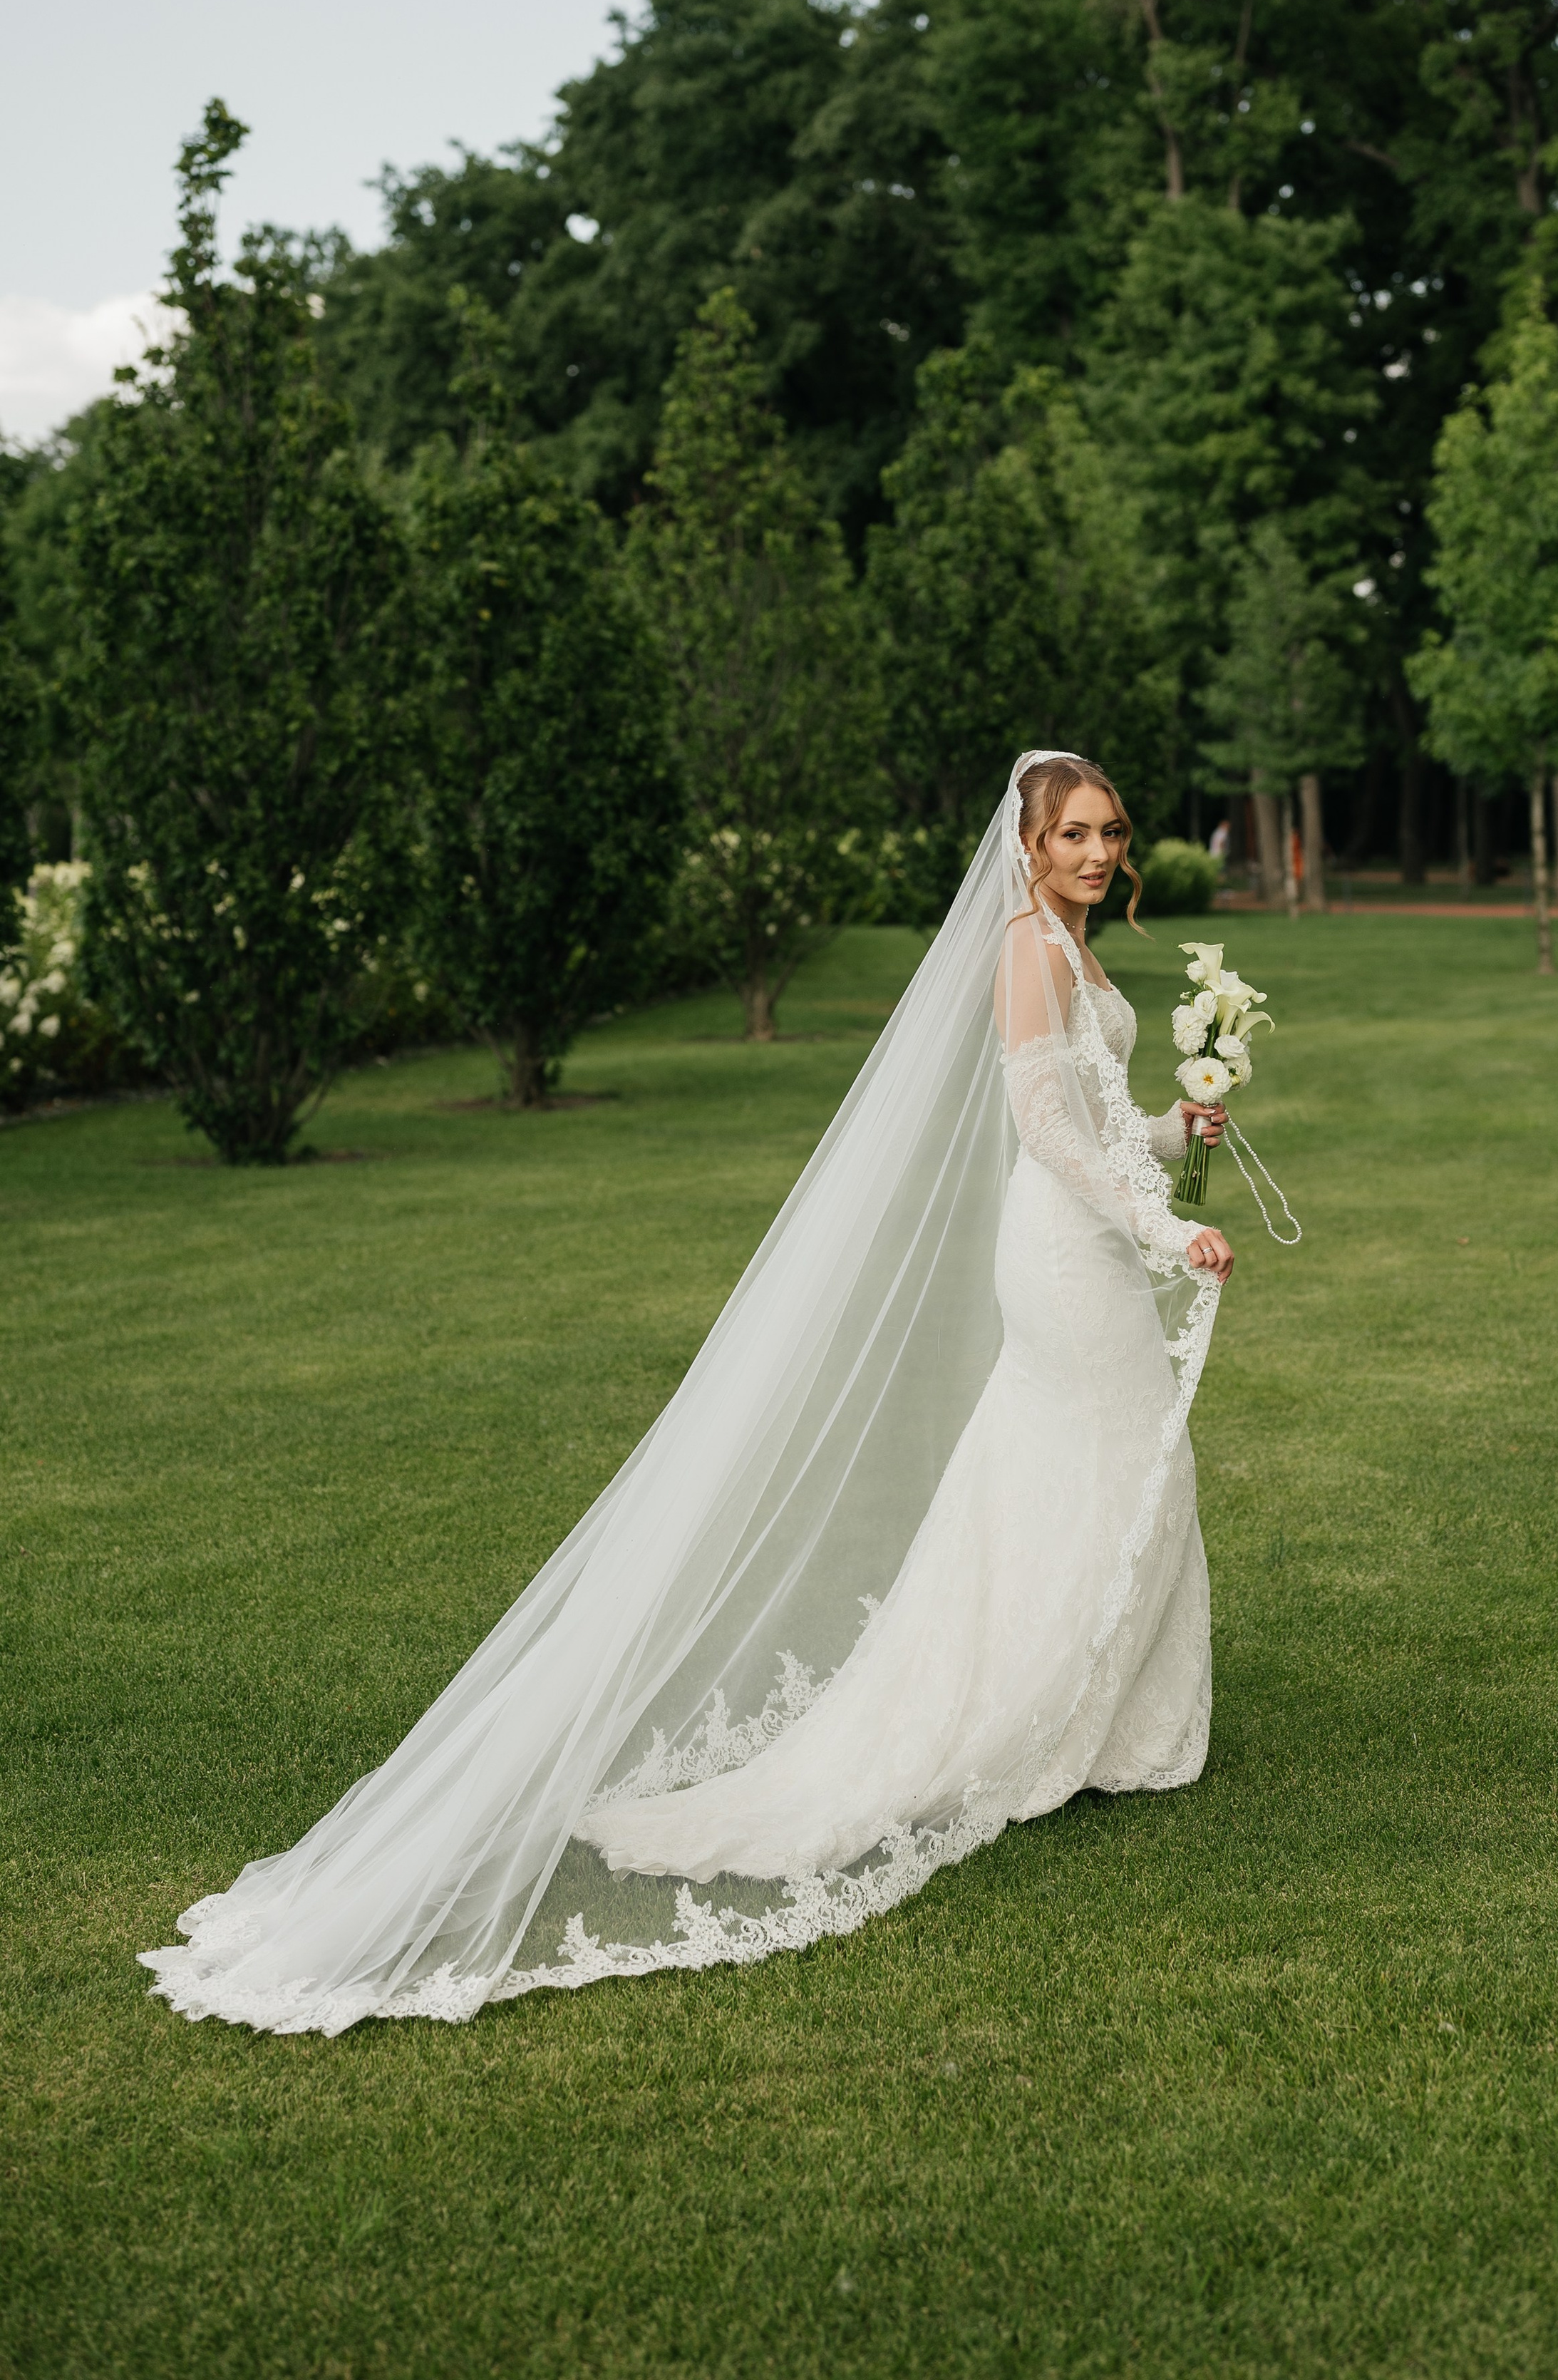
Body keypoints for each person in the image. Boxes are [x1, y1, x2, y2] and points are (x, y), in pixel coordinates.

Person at [142, 752, 1235, 2035]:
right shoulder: (1026, 949)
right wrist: (1167, 1233)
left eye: (1109, 833)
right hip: (1064, 1253)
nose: (1098, 854)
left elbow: (1097, 1125)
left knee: (1094, 1466)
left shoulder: (1073, 946)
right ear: (1029, 845)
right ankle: (1034, 1723)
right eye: (1074, 835)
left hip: (1086, 1236)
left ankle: (1092, 1720)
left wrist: (1177, 1128)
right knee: (1109, 1460)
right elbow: (1044, 1134)